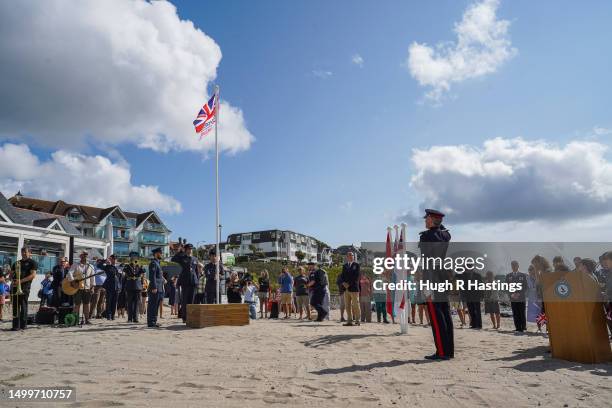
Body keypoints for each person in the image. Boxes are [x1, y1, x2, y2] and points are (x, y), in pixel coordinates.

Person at [419, 208, 453, 360]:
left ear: (432, 219)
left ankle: (441, 351)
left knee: (436, 316)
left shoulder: (427, 236)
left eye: (427, 218)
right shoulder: (445, 235)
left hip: (431, 278)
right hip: (443, 276)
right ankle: (449, 350)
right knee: (445, 314)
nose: (425, 221)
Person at [10, 247, 38, 330]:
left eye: (25, 252)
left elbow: (33, 275)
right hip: (15, 287)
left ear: (30, 253)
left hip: (25, 287)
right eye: (22, 252)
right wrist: (11, 275)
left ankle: (23, 325)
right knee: (15, 306)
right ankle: (15, 326)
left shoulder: (32, 263)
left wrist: (20, 281)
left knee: (23, 305)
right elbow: (11, 275)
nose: (24, 254)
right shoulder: (16, 263)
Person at [67, 251, 95, 325]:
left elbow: (93, 277)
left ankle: (87, 320)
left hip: (87, 288)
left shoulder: (90, 266)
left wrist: (92, 287)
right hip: (78, 288)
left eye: (86, 256)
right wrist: (73, 281)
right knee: (77, 304)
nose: (84, 257)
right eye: (83, 256)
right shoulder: (75, 265)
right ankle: (74, 320)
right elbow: (70, 273)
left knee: (87, 304)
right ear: (80, 257)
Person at [173, 243, 198, 321]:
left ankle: (191, 317)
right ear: (186, 250)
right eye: (188, 249)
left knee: (192, 300)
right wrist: (180, 252)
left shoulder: (195, 259)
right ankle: (185, 317)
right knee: (185, 300)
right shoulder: (182, 258)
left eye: (191, 249)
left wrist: (197, 280)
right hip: (185, 282)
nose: (190, 251)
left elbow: (196, 271)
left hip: (193, 282)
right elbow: (173, 259)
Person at [506, 260, 528, 332]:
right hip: (513, 298)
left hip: (521, 297)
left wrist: (519, 293)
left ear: (518, 266)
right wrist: (511, 294)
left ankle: (523, 327)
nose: (514, 267)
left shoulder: (523, 275)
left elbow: (525, 286)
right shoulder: (508, 276)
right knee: (515, 313)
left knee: (522, 312)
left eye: (515, 265)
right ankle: (518, 327)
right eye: (512, 265)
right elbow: (506, 287)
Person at [340, 252, 361, 326]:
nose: (350, 256)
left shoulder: (356, 265)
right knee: (347, 305)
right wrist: (343, 283)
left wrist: (348, 284)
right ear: (347, 257)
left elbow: (356, 276)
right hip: (346, 289)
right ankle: (349, 320)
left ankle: (358, 320)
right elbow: (342, 276)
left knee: (355, 305)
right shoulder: (345, 266)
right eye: (349, 255)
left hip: (354, 288)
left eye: (352, 255)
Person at [147, 247, 165, 328]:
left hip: (159, 287)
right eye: (160, 253)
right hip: (155, 288)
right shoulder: (153, 263)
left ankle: (154, 320)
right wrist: (154, 287)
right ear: (156, 254)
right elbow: (152, 276)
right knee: (152, 305)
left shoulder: (158, 263)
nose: (161, 254)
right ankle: (151, 322)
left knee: (156, 305)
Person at [101, 254, 121, 320]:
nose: (114, 260)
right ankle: (108, 315)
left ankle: (112, 315)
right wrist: (104, 260)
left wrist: (119, 287)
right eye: (113, 259)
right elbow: (99, 265)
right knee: (109, 302)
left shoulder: (118, 267)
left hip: (116, 287)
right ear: (111, 259)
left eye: (115, 259)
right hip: (109, 287)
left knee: (114, 302)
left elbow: (119, 278)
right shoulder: (108, 267)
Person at [124, 258, 144, 323]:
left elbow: (144, 271)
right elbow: (125, 271)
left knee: (136, 303)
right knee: (129, 303)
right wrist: (130, 265)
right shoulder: (127, 266)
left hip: (137, 287)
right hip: (130, 286)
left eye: (135, 259)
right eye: (133, 259)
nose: (134, 261)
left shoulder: (139, 266)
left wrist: (139, 265)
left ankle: (135, 318)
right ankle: (129, 318)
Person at [526, 265, 543, 330]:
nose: (530, 271)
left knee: (539, 312)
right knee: (534, 313)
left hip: (538, 297)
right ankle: (539, 327)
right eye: (529, 270)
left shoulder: (539, 277)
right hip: (531, 297)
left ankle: (540, 327)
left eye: (531, 269)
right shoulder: (527, 278)